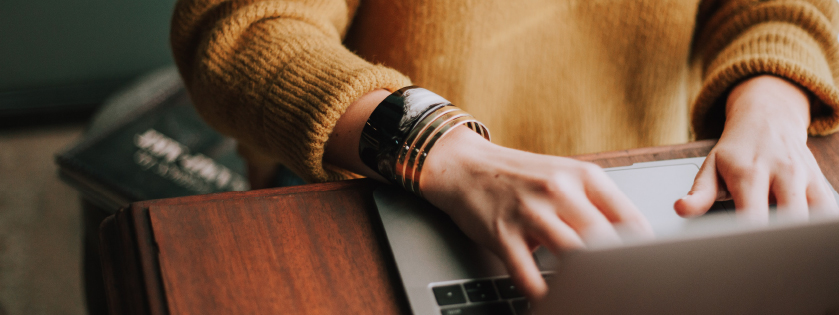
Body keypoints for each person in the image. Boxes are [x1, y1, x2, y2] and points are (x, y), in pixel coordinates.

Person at [170, 0, 839, 300]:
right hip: (396, 188)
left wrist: (772, 100)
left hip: (663, 195)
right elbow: (239, 28)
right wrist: (443, 149)